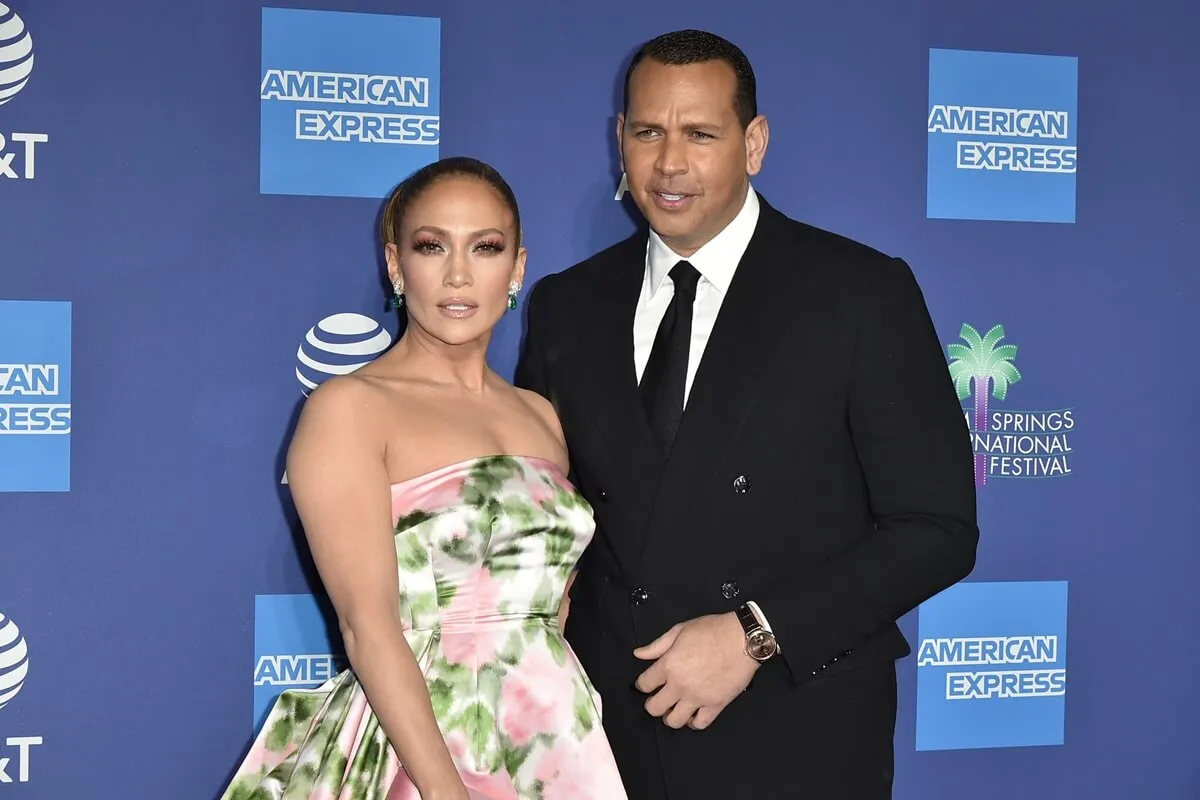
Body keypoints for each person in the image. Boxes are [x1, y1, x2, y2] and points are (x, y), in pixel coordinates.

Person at [514, 29, 979, 799]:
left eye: (700, 134)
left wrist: (757, 634)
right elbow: (553, 511)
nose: (669, 164)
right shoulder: (567, 305)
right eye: (647, 132)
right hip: (607, 741)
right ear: (617, 139)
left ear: (754, 143)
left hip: (797, 734)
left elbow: (937, 530)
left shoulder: (859, 294)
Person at [220, 157, 629, 800]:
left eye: (486, 248)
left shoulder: (540, 416)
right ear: (395, 265)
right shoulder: (349, 408)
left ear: (518, 267)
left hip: (553, 742)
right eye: (432, 246)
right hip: (419, 748)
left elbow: (554, 606)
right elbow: (368, 625)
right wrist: (443, 789)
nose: (458, 274)